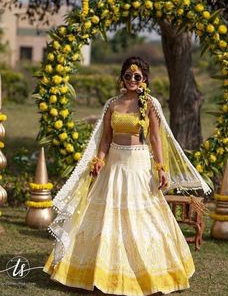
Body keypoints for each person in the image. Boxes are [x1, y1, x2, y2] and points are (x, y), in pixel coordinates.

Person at [43, 56, 211, 295]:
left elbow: (155, 138)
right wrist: (99, 160)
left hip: (138, 166)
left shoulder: (150, 104)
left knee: (144, 219)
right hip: (113, 167)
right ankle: (96, 273)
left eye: (137, 76)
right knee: (105, 219)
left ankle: (151, 272)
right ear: (122, 77)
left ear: (144, 79)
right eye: (128, 76)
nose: (132, 80)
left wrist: (161, 167)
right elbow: (105, 138)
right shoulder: (112, 104)